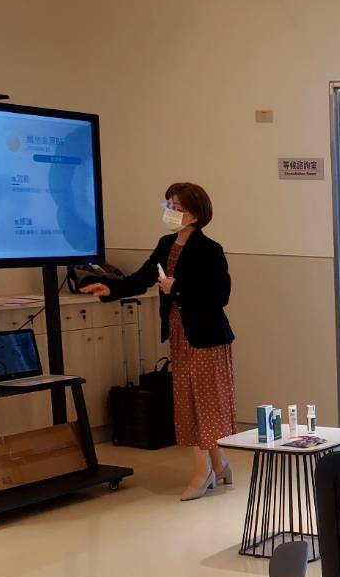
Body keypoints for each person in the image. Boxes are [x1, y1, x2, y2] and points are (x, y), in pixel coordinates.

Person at [81, 183, 237, 501]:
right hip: (179, 334)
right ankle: (220, 465)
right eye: (168, 204)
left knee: (204, 402)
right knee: (187, 400)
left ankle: (204, 471)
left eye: (176, 207)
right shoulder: (167, 244)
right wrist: (110, 289)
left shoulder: (210, 249)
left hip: (206, 337)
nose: (169, 211)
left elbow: (220, 295)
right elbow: (141, 278)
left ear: (194, 215)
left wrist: (177, 288)